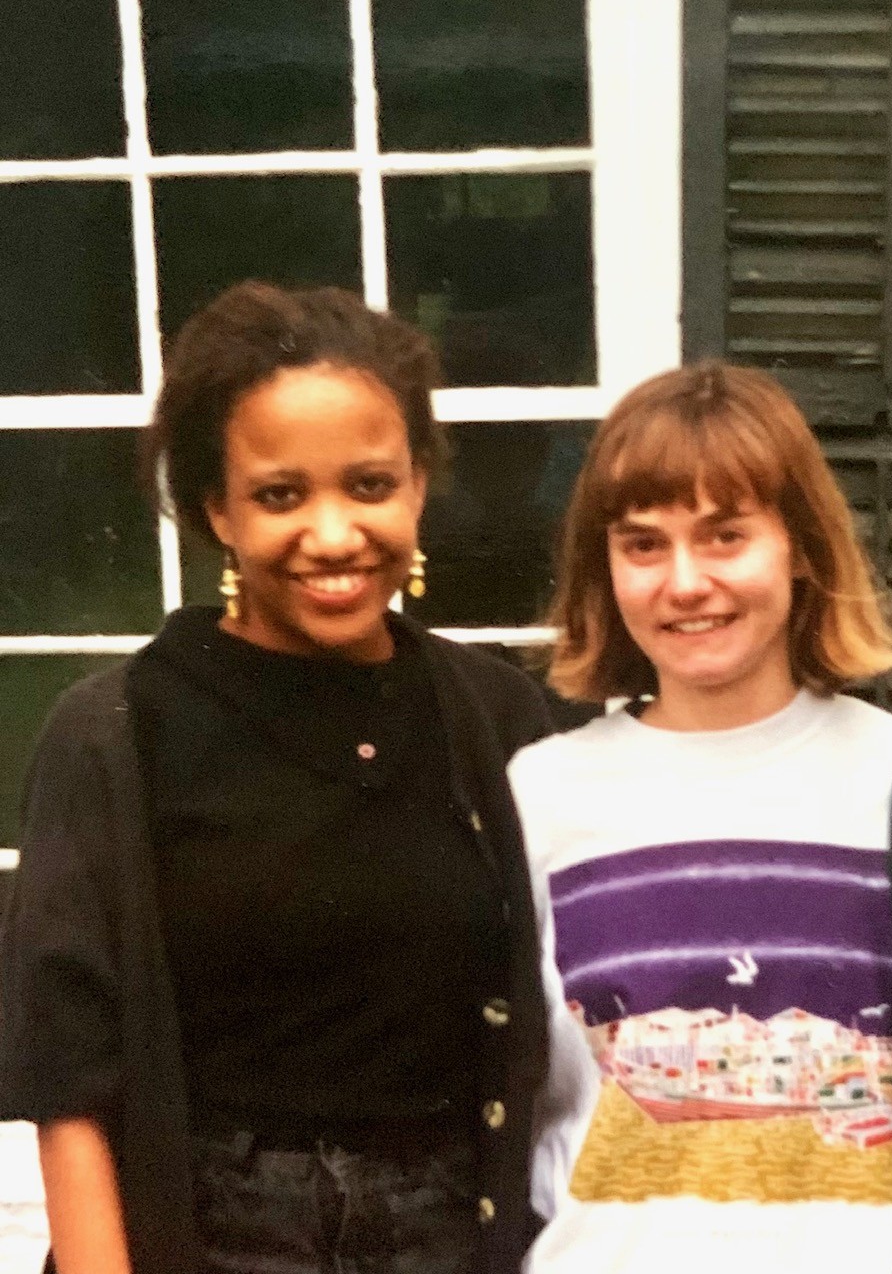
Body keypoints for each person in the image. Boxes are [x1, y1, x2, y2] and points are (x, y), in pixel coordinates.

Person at [0, 281, 585, 1274]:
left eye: (369, 484)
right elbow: (69, 1078)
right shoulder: (116, 732)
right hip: (209, 1232)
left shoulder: (499, 722)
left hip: (453, 1229)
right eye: (280, 494)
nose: (333, 534)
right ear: (213, 508)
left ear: (417, 483)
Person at [509, 361, 892, 1274]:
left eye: (725, 536)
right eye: (643, 545)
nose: (685, 582)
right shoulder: (542, 793)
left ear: (798, 546)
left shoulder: (888, 776)